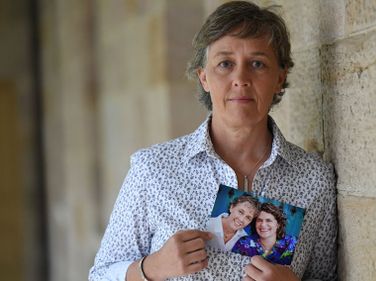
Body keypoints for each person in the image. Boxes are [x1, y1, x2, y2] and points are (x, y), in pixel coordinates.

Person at [89, 1, 337, 281]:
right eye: (225, 64)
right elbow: (99, 276)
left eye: (257, 64)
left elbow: (326, 275)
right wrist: (152, 268)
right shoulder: (152, 170)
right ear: (204, 77)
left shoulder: (314, 180)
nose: (240, 78)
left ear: (280, 77)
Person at [232, 203, 297, 265]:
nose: (263, 225)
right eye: (259, 220)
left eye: (268, 220)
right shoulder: (244, 243)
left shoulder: (292, 243)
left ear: (278, 224)